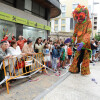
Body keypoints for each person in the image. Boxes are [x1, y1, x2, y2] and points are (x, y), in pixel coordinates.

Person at [66, 5, 92, 75]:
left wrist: (83, 42)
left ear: (84, 15)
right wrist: (71, 40)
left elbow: (88, 33)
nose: (78, 19)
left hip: (86, 45)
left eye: (80, 16)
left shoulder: (88, 22)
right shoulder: (77, 25)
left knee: (85, 59)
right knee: (76, 58)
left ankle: (84, 72)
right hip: (78, 45)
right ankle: (76, 70)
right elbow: (74, 35)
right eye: (77, 17)